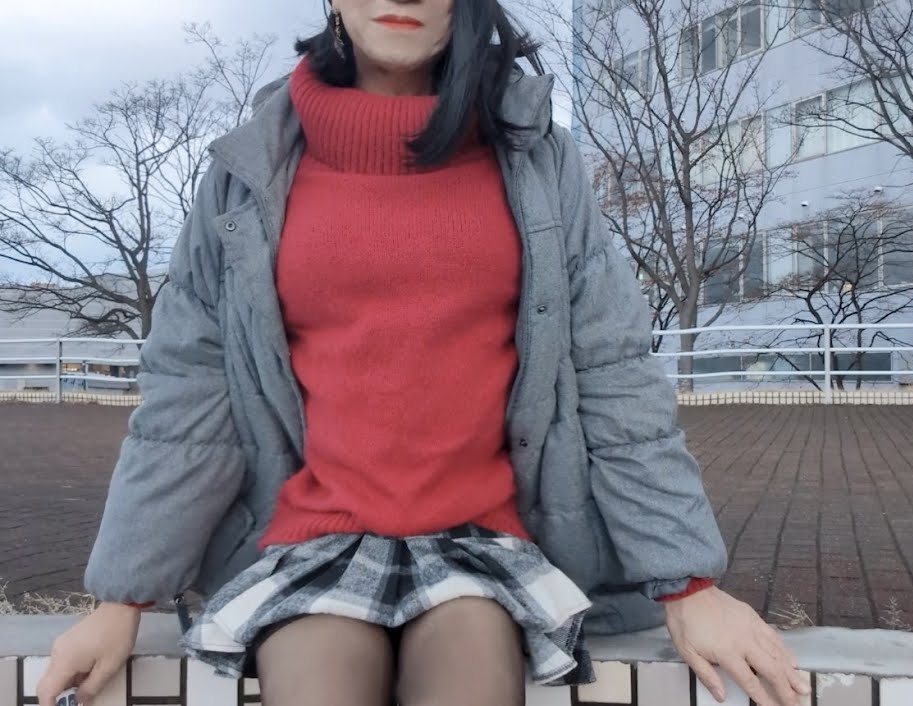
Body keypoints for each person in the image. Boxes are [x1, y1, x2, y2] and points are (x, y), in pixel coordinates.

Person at [38, 2, 812, 705]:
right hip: (312, 541)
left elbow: (613, 369)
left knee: (471, 669)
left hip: (483, 541)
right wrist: (121, 599)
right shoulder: (248, 173)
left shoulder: (537, 158)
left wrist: (688, 584)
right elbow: (188, 389)